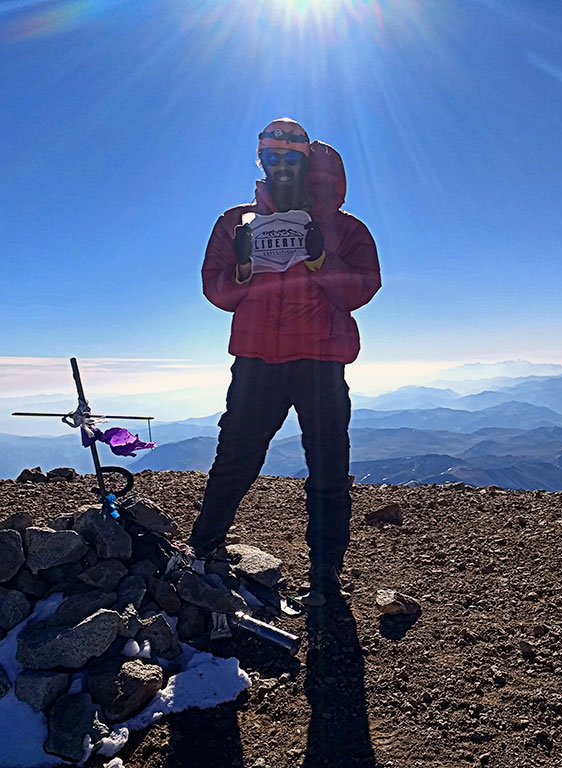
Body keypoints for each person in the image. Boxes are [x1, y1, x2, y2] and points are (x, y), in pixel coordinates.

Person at [188, 118, 381, 606]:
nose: (280, 166)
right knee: (235, 458)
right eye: (271, 157)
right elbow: (216, 292)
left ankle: (325, 573)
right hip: (258, 359)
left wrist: (321, 263)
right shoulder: (235, 223)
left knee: (328, 468)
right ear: (260, 161)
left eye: (290, 157)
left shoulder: (346, 229)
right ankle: (202, 548)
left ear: (307, 161)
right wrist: (243, 268)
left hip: (319, 361)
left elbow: (363, 289)